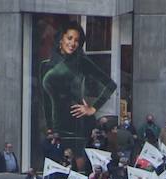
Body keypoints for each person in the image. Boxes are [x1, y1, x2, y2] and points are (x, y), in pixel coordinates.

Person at [39, 22, 117, 157]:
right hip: (56, 129)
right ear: (61, 39)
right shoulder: (45, 66)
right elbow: (46, 100)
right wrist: (50, 128)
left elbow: (110, 85)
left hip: (76, 126)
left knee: (76, 169)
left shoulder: (81, 62)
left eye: (77, 40)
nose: (73, 43)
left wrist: (92, 108)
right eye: (69, 38)